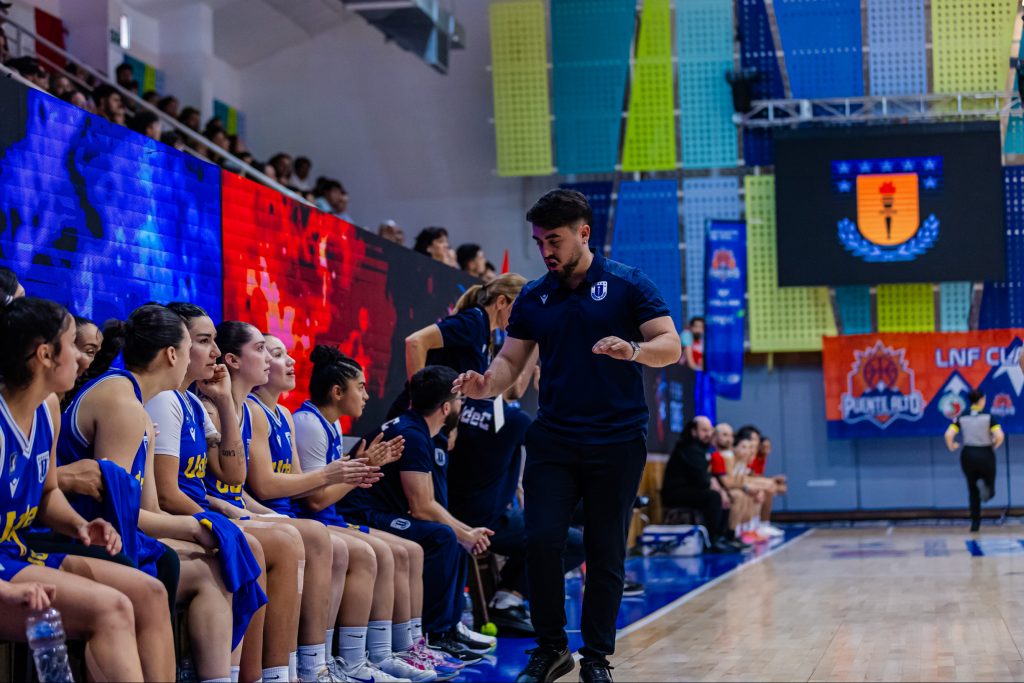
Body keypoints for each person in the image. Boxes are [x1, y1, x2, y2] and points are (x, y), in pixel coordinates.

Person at [454, 188, 681, 683]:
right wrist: (485, 384)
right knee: (541, 540)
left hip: (617, 439)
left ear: (584, 233)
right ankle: (551, 649)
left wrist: (634, 350)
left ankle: (596, 658)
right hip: (554, 438)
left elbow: (670, 345)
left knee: (605, 550)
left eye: (553, 240)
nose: (546, 251)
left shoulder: (628, 284)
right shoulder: (535, 296)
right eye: (539, 242)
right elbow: (510, 361)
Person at [57, 304, 236, 681]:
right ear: (172, 354)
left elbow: (147, 508)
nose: (212, 353)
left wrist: (198, 526)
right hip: (72, 533)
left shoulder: (138, 406)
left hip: (104, 530)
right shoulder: (122, 403)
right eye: (194, 345)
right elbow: (116, 514)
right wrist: (195, 525)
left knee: (216, 557)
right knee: (155, 580)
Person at [0, 296, 169, 681]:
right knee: (111, 608)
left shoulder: (48, 409)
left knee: (151, 593)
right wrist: (6, 592)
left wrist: (79, 526)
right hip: (4, 569)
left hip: (18, 552)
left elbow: (47, 495)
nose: (81, 358)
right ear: (45, 354)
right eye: (72, 345)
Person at [287, 344, 456, 681]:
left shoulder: (330, 425)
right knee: (377, 554)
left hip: (328, 519)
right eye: (361, 387)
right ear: (337, 392)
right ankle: (349, 659)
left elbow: (328, 492)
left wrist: (362, 467)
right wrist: (362, 470)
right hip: (310, 521)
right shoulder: (308, 424)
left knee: (408, 551)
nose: (366, 395)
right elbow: (315, 501)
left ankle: (400, 649)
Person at [198, 320, 335, 682]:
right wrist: (331, 475)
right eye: (263, 350)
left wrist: (261, 512)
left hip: (231, 510)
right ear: (233, 360)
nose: (276, 360)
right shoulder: (213, 408)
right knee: (294, 539)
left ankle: (307, 665)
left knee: (313, 537)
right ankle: (276, 672)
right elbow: (239, 483)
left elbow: (238, 487)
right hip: (210, 515)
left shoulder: (244, 408)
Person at [340, 366, 496, 663]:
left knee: (453, 537)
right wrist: (465, 534)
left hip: (377, 511)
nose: (462, 407)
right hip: (359, 514)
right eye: (460, 401)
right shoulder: (411, 434)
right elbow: (421, 507)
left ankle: (450, 627)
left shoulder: (418, 430)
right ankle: (435, 633)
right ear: (446, 408)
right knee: (443, 537)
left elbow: (427, 504)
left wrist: (467, 533)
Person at [447, 396, 585, 636]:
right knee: (573, 541)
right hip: (487, 521)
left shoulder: (457, 406)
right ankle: (508, 600)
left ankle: (506, 598)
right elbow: (557, 451)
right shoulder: (514, 418)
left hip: (448, 512)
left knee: (541, 522)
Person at [394, 273, 527, 419]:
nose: (522, 318)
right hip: (412, 418)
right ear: (501, 301)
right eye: (519, 310)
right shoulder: (474, 322)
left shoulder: (485, 331)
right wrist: (419, 401)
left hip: (436, 419)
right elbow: (415, 342)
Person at [662, 417, 743, 554]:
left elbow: (708, 477)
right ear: (694, 431)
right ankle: (713, 540)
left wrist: (723, 491)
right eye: (704, 430)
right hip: (675, 493)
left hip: (691, 489)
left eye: (710, 430)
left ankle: (725, 537)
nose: (709, 434)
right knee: (714, 497)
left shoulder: (701, 449)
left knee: (722, 494)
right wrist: (721, 492)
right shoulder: (688, 448)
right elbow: (703, 481)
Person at [945, 389, 1005, 532]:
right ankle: (987, 490)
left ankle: (975, 523)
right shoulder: (988, 416)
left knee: (972, 490)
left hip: (968, 454)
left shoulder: (962, 416)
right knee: (989, 488)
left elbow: (948, 434)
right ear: (982, 400)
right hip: (985, 453)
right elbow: (999, 435)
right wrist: (994, 445)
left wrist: (952, 445)